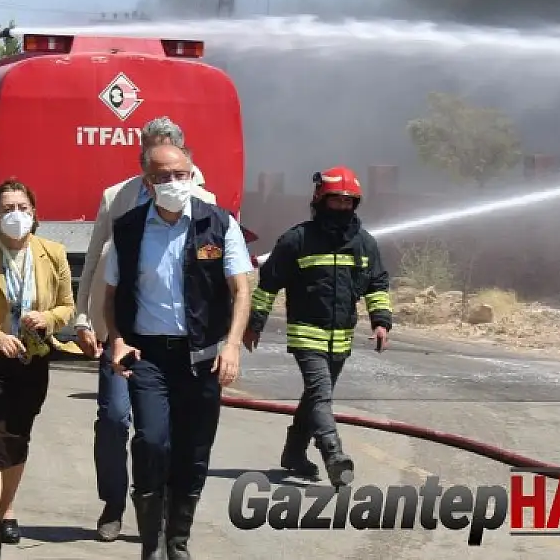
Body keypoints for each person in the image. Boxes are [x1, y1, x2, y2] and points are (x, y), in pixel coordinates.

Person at [103, 143, 253, 560]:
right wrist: (116, 337)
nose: (173, 183)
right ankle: (150, 543)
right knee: (152, 442)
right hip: (148, 356)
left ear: (193, 174)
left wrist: (233, 346)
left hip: (202, 357)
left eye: (180, 174)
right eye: (163, 176)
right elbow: (111, 295)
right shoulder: (129, 229)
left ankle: (177, 541)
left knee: (193, 450)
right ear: (148, 183)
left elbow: (241, 289)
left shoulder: (218, 224)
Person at [73, 115, 215, 541]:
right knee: (115, 418)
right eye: (152, 154)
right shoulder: (116, 197)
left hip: (176, 339)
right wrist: (84, 316)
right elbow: (96, 256)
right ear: (142, 161)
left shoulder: (204, 201)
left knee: (162, 432)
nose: (163, 169)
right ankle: (113, 503)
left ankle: (156, 504)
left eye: (170, 154)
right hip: (122, 334)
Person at [243, 165, 392, 488]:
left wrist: (381, 322)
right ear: (320, 200)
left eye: (348, 202)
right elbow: (268, 286)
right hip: (306, 332)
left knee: (314, 399)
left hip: (341, 338)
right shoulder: (297, 240)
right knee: (321, 395)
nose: (341, 207)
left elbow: (377, 285)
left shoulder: (364, 244)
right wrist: (254, 324)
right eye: (335, 200)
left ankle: (294, 453)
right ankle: (334, 456)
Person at [0, 180, 78, 560]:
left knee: (17, 438)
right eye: (7, 209)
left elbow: (67, 306)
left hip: (32, 359)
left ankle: (7, 509)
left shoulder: (52, 252)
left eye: (23, 207)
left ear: (34, 212)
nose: (16, 215)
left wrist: (49, 318)